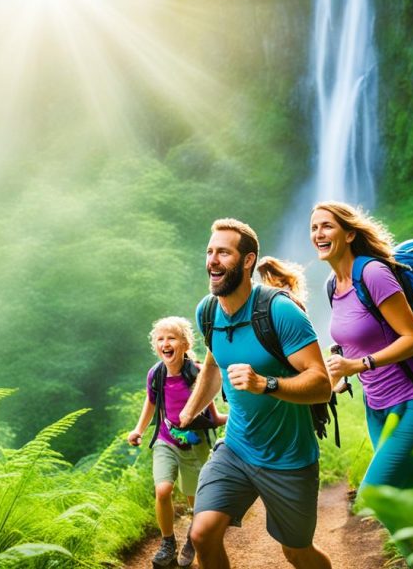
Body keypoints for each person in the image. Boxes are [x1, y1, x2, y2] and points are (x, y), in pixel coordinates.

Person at [180, 218, 333, 569]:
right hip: (236, 449)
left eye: (223, 252)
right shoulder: (208, 311)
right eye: (209, 251)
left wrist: (266, 383)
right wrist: (190, 411)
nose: (212, 260)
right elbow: (214, 364)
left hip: (289, 459)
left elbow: (321, 384)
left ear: (247, 261)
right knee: (202, 535)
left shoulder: (279, 311)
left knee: (296, 552)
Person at [311, 201, 413, 492]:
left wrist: (358, 365)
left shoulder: (373, 273)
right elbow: (358, 337)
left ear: (349, 234)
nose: (319, 233)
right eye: (314, 228)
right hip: (376, 407)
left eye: (327, 226)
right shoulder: (333, 285)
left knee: (375, 496)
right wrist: (337, 375)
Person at [128, 316, 227, 568]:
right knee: (163, 490)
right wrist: (138, 429)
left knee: (197, 500)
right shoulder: (156, 374)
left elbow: (210, 407)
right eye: (160, 339)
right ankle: (167, 541)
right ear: (155, 345)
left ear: (184, 343)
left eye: (171, 338)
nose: (165, 343)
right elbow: (151, 403)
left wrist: (226, 419)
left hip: (196, 444)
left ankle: (194, 539)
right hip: (166, 439)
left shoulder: (196, 371)